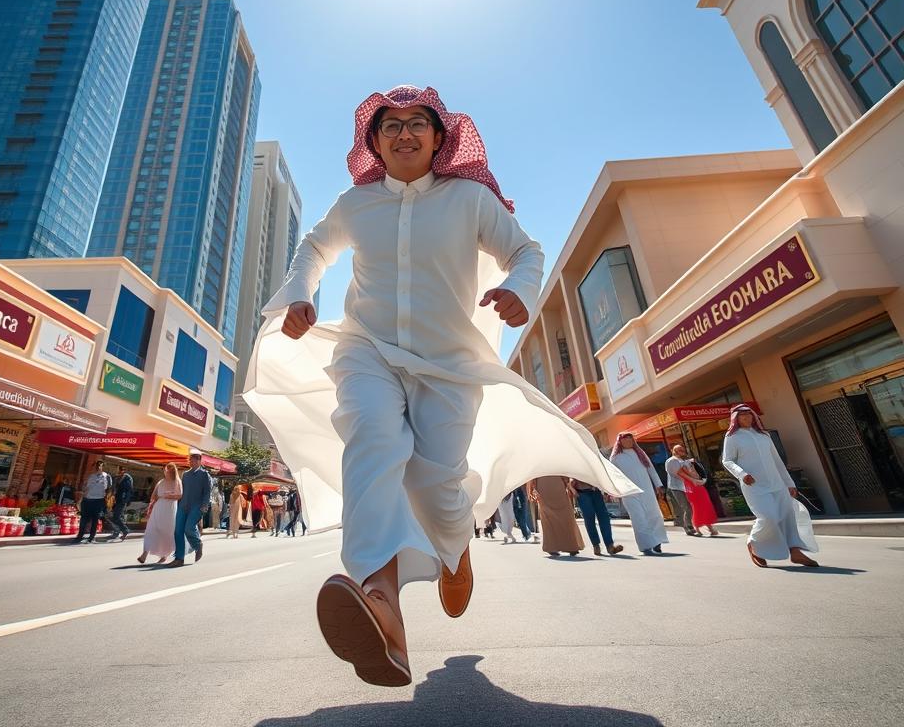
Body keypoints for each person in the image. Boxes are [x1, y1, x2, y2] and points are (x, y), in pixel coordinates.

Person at [244, 85, 637, 686]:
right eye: (390, 126)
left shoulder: (470, 199)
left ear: (440, 136)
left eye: (417, 124)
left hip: (449, 365)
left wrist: (519, 291)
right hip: (367, 350)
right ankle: (381, 601)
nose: (404, 134)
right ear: (372, 142)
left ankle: (455, 548)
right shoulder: (357, 203)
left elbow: (525, 252)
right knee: (371, 440)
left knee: (435, 482)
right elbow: (314, 249)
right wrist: (299, 294)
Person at [722, 405, 819, 568]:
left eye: (749, 415)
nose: (747, 418)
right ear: (735, 419)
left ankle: (795, 552)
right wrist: (742, 474)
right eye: (742, 415)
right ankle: (754, 543)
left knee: (788, 515)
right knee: (769, 517)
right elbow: (728, 460)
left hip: (777, 483)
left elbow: (777, 461)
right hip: (754, 485)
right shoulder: (732, 437)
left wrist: (789, 483)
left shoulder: (764, 435)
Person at [610, 433, 669, 555]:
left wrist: (658, 485)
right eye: (625, 440)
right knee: (638, 519)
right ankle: (646, 545)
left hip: (647, 490)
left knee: (654, 515)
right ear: (620, 442)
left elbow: (651, 469)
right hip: (629, 493)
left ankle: (657, 542)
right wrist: (615, 491)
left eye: (630, 439)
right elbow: (613, 476)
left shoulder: (640, 453)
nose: (628, 442)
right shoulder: (615, 458)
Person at [167, 451, 212, 567]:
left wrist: (204, 506)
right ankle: (179, 559)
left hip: (197, 506)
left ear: (198, 461)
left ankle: (198, 545)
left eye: (192, 460)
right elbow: (182, 491)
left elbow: (207, 492)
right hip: (183, 505)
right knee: (177, 531)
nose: (190, 462)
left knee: (189, 528)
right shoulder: (186, 474)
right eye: (189, 460)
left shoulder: (205, 475)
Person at [530, 476, 585, 557]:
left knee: (563, 515)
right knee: (550, 517)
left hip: (551, 484)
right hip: (545, 485)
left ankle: (568, 546)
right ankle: (556, 546)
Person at [139, 462, 182, 564]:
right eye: (165, 469)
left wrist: (168, 496)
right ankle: (144, 554)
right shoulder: (161, 482)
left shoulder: (177, 482)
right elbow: (153, 495)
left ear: (172, 471)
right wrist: (151, 503)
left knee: (166, 532)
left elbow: (180, 495)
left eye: (167, 470)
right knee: (151, 529)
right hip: (158, 508)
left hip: (170, 509)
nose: (165, 471)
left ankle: (164, 555)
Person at [572, 480, 624, 556]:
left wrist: (606, 490)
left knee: (604, 517)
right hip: (582, 492)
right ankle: (596, 545)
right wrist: (572, 489)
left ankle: (610, 546)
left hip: (596, 491)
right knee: (589, 518)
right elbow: (568, 475)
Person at [665, 444, 701, 537]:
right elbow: (677, 473)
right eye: (679, 450)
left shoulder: (683, 461)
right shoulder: (672, 461)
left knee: (690, 506)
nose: (682, 451)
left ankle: (689, 525)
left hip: (686, 486)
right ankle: (688, 527)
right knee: (686, 507)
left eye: (682, 449)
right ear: (674, 451)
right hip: (677, 487)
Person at [75, 460, 112, 544]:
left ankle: (91, 537)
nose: (98, 467)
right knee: (84, 519)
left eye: (100, 465)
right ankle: (80, 535)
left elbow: (110, 489)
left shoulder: (107, 476)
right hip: (87, 500)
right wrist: (82, 496)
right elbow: (85, 487)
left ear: (103, 467)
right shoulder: (91, 476)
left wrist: (106, 500)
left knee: (95, 519)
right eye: (97, 465)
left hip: (98, 500)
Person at [107, 469, 134, 541]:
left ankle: (125, 530)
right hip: (118, 500)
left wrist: (125, 500)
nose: (118, 473)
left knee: (116, 516)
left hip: (122, 501)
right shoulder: (119, 479)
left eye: (120, 472)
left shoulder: (126, 480)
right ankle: (121, 531)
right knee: (115, 517)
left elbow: (128, 491)